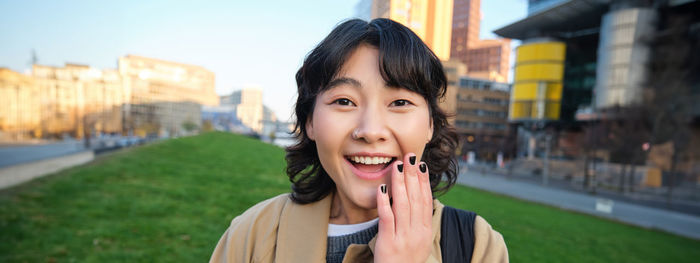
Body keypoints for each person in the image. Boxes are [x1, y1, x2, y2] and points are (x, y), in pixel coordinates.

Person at [210, 18, 508, 263]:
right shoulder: (252, 233)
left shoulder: (476, 245)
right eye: (344, 101)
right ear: (309, 122)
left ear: (431, 124)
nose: (370, 130)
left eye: (400, 102)